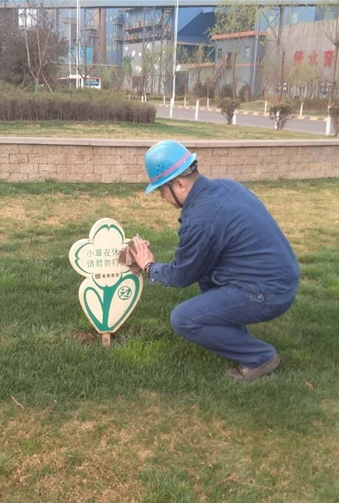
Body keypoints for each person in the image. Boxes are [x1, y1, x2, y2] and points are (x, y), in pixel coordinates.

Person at [128, 140, 300, 383]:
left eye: (161, 190)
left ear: (179, 184)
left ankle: (259, 357)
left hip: (269, 292)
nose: (161, 197)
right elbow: (198, 263)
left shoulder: (201, 218)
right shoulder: (225, 187)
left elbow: (181, 275)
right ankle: (234, 330)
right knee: (206, 276)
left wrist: (148, 266)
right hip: (281, 278)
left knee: (184, 319)